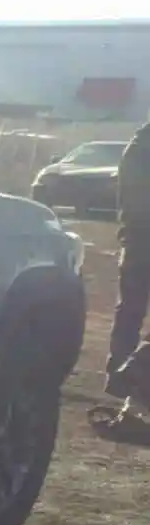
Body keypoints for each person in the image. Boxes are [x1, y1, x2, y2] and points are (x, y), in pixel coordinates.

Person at [108, 118, 150, 402]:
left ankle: (119, 373)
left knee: (129, 311)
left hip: (135, 239)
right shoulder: (140, 152)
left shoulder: (135, 150)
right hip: (142, 237)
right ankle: (132, 371)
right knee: (130, 310)